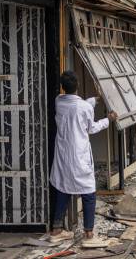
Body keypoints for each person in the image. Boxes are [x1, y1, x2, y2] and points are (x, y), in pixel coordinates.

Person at [49, 71, 118, 246]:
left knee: (63, 189)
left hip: (63, 155)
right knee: (88, 193)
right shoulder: (83, 107)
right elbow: (92, 128)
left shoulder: (59, 101)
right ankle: (89, 234)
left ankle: (56, 230)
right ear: (78, 86)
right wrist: (108, 120)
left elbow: (78, 105)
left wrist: (95, 99)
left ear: (63, 88)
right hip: (79, 155)